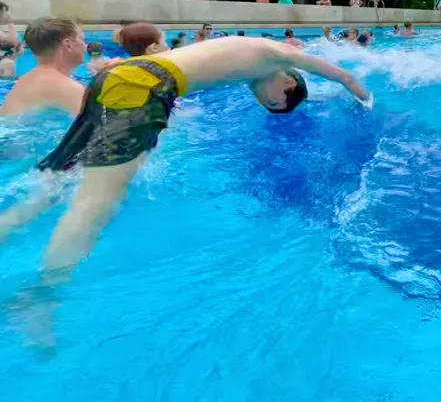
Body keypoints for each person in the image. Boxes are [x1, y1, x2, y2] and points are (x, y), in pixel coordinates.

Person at [0, 34, 371, 301]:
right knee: (96, 202)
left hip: (118, 77)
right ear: (289, 82)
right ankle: (43, 294)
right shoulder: (278, 56)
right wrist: (367, 103)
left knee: (56, 180)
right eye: (276, 104)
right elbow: (344, 76)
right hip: (144, 86)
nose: (267, 105)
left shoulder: (249, 55)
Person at [0, 18, 87, 116]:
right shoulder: (69, 88)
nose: (85, 46)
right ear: (68, 44)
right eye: (83, 40)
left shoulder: (23, 81)